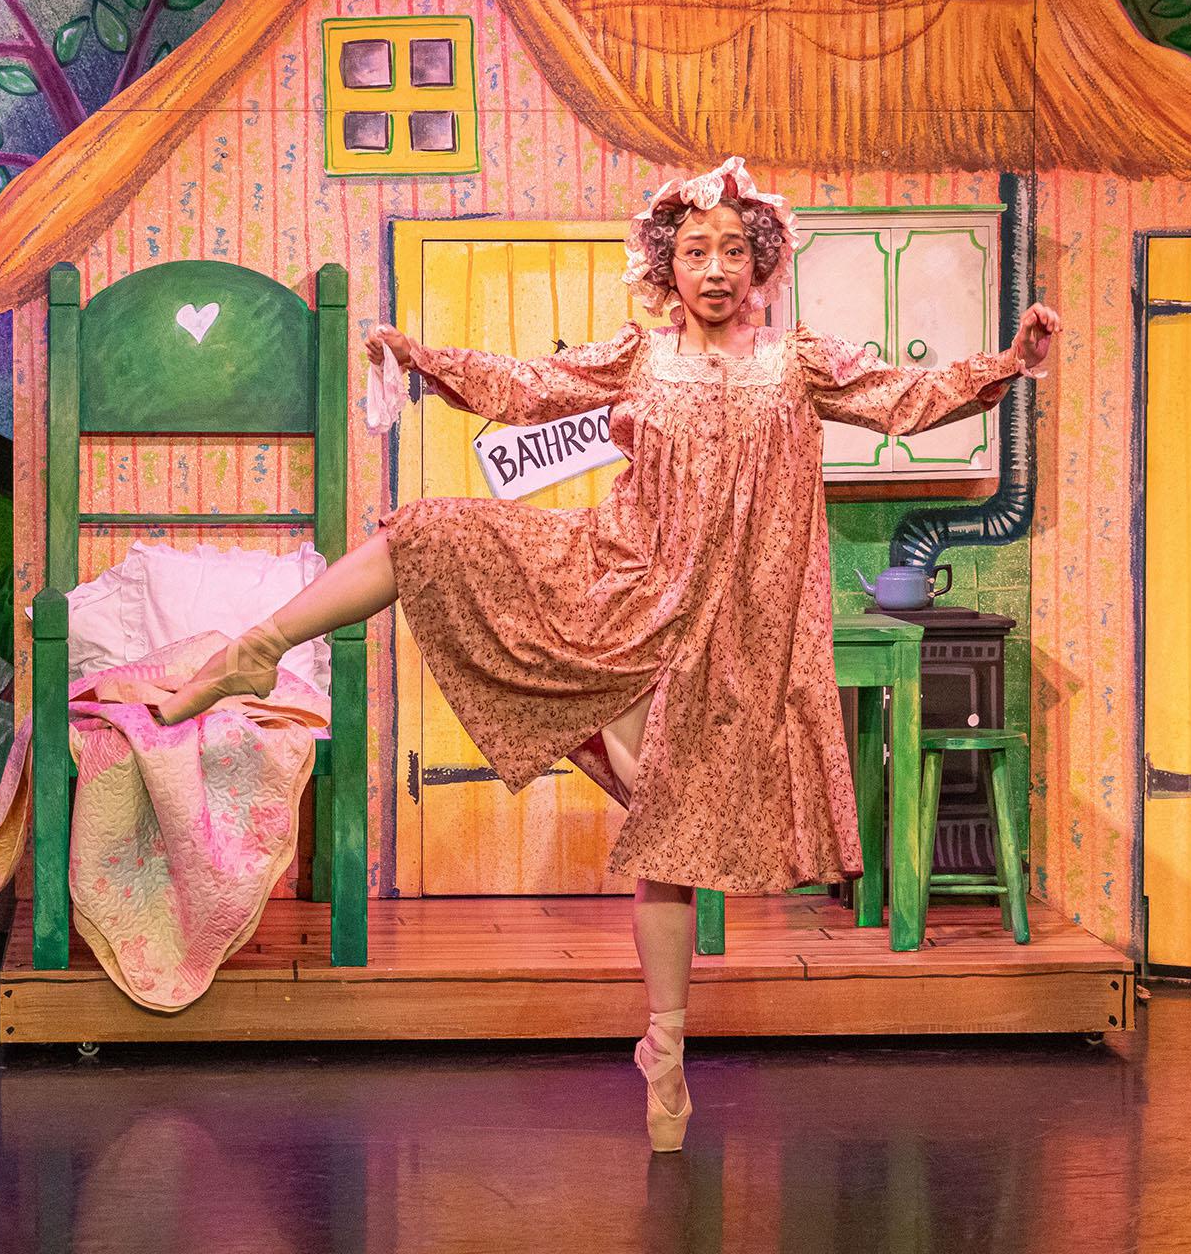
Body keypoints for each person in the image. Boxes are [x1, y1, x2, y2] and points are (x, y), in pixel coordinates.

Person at [156, 156, 1062, 1152]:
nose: (714, 268)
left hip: (738, 636)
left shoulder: (797, 361)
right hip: (628, 590)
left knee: (669, 843)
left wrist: (1008, 363)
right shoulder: (642, 358)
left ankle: (664, 1049)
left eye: (732, 251)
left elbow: (905, 396)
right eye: (695, 251)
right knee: (428, 531)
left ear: (759, 262)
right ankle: (260, 647)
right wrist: (425, 359)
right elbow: (531, 386)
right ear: (668, 266)